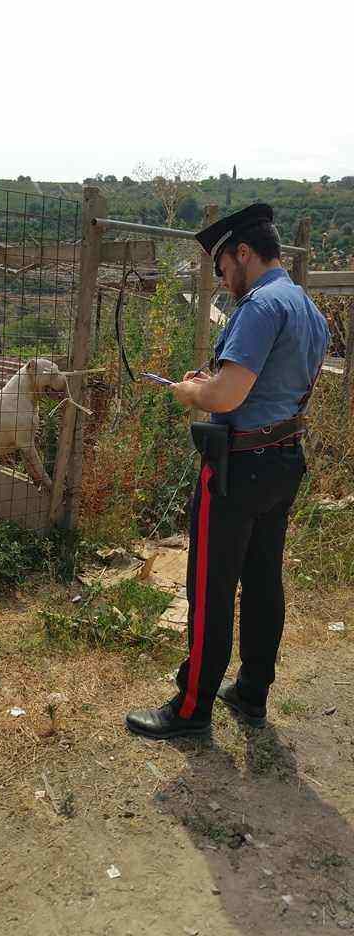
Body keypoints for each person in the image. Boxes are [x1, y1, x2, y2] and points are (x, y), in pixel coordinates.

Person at [126, 203, 330, 739]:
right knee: (263, 580)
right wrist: (214, 382)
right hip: (284, 459)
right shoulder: (306, 307)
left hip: (239, 467)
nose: (221, 280)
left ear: (243, 253)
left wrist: (190, 391)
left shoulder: (260, 305)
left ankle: (191, 708)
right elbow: (271, 385)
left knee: (210, 587)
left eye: (222, 268)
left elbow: (227, 396)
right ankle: (252, 691)